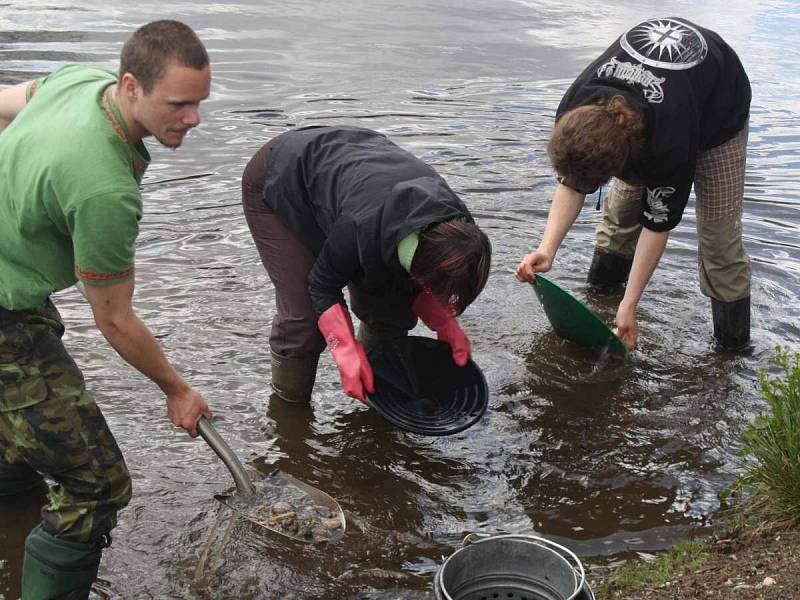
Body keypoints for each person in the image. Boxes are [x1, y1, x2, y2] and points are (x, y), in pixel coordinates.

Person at [0, 20, 213, 598]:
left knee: (20, 432)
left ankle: (13, 515)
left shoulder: (78, 83)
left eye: (199, 102)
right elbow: (115, 321)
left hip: (13, 289)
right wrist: (177, 390)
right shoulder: (105, 190)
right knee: (96, 484)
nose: (192, 119)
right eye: (178, 104)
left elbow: (3, 107)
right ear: (131, 86)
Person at [515, 17, 751, 351]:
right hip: (651, 114)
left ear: (621, 164)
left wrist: (630, 305)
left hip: (719, 111)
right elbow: (573, 183)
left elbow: (657, 226)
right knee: (621, 215)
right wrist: (547, 248)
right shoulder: (574, 110)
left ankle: (731, 354)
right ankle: (601, 301)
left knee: (719, 243)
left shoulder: (667, 146)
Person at [243, 125, 491, 404]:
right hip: (281, 178)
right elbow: (322, 285)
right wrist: (344, 349)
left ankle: (379, 396)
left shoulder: (462, 228)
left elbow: (423, 281)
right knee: (305, 319)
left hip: (357, 180)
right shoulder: (361, 226)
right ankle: (289, 410)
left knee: (391, 311)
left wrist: (445, 323)